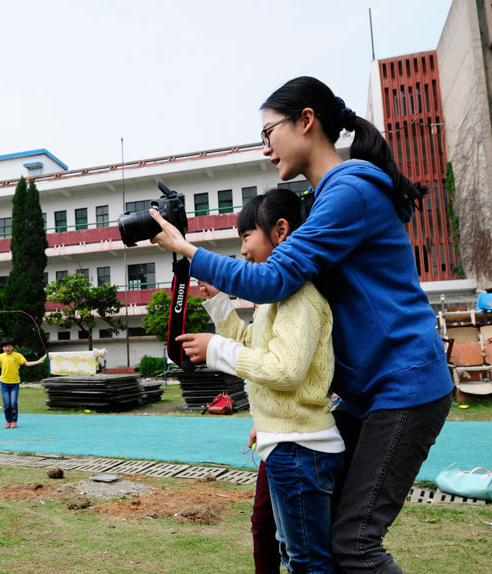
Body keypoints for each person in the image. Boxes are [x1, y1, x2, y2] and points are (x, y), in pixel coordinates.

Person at [150, 76, 453, 573]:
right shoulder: (325, 199)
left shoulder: (349, 193)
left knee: (355, 543)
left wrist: (188, 251)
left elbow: (273, 280)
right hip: (371, 391)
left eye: (269, 132)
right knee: (324, 537)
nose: (266, 147)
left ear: (306, 121)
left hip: (405, 385)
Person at [184, 189, 342, 572]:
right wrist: (219, 302)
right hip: (286, 444)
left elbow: (284, 370)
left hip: (300, 448)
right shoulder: (276, 298)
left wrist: (217, 350)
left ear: (280, 231)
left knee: (307, 561)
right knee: (290, 551)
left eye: (246, 236)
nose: (243, 250)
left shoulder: (299, 297)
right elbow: (250, 345)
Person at [0, 336, 46, 428]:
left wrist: (38, 361)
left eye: (9, 346)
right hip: (4, 383)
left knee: (13, 403)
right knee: (7, 404)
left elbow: (27, 363)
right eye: (5, 346)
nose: (7, 348)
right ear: (2, 347)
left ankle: (14, 420)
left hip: (15, 383)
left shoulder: (18, 356)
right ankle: (8, 421)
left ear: (13, 347)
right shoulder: (0, 356)